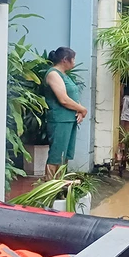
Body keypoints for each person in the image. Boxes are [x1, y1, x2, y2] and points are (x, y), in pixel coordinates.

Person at [43, 47, 88, 179]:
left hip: (69, 119)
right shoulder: (53, 74)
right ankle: (50, 186)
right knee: (57, 155)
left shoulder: (64, 75)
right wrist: (82, 109)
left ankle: (60, 183)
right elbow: (63, 99)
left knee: (65, 155)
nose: (74, 62)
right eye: (72, 59)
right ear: (64, 60)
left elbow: (72, 96)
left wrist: (79, 110)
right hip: (59, 119)